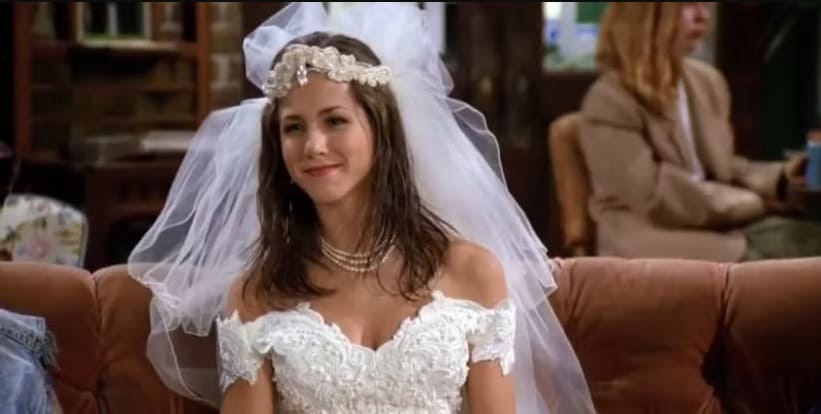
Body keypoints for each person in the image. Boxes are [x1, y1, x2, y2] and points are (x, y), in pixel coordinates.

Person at [128, 3, 596, 413]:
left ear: (381, 129)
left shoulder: (473, 273)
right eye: (294, 127)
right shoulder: (256, 293)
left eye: (335, 121)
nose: (314, 146)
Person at [579, 2, 821, 262]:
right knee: (800, 251)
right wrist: (757, 203)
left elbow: (723, 168)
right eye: (687, 5)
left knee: (811, 239)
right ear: (647, 17)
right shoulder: (609, 99)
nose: (702, 16)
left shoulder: (707, 81)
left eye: (704, 4)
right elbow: (654, 196)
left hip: (717, 222)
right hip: (653, 234)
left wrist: (783, 177)